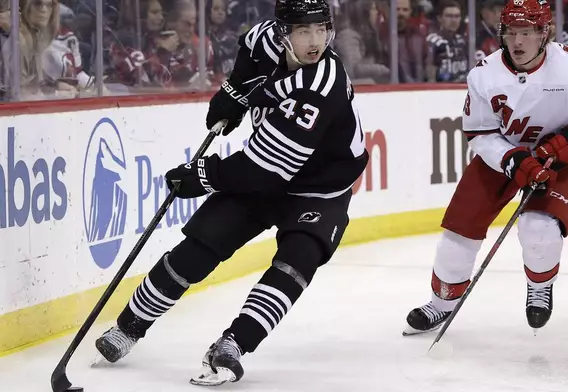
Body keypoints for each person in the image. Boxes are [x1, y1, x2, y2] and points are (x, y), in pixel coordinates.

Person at [95, 0, 368, 387]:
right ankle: (129, 327)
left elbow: (265, 169)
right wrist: (233, 93)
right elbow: (249, 47)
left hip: (318, 189)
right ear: (283, 33)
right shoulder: (268, 40)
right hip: (265, 173)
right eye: (304, 31)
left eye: (321, 30)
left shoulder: (320, 86)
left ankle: (234, 344)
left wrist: (202, 175)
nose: (315, 41)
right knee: (200, 246)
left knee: (298, 260)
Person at [404, 0, 568, 336]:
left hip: (555, 159)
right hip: (502, 157)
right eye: (511, 33)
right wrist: (512, 160)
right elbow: (479, 133)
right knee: (457, 235)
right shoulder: (484, 75)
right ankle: (442, 302)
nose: (517, 42)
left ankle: (539, 285)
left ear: (543, 33)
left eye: (526, 33)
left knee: (539, 230)